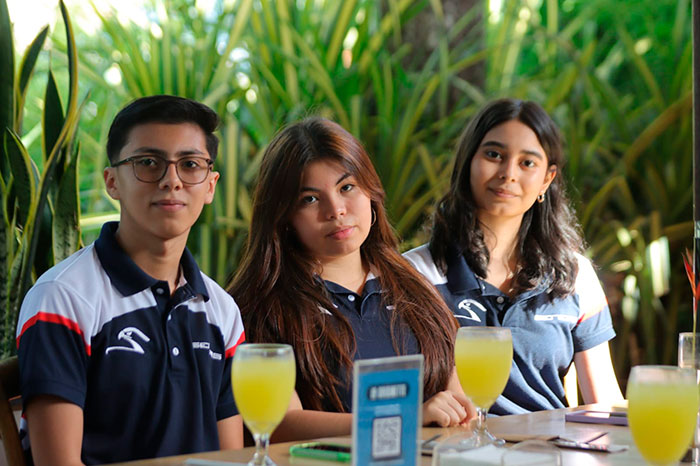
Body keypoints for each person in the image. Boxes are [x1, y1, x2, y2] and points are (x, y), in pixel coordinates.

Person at [16, 95, 245, 465]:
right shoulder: (62, 299)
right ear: (112, 182)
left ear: (210, 186)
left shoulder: (222, 311)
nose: (172, 181)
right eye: (148, 163)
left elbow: (231, 457)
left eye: (190, 165)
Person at [228, 117, 475, 441]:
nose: (336, 210)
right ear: (284, 217)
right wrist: (403, 418)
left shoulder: (416, 287)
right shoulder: (263, 307)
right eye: (310, 199)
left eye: (347, 187)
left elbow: (458, 402)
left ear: (371, 194)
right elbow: (277, 424)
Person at [405, 98, 624, 415]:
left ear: (546, 180)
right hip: (457, 452)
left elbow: (603, 403)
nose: (508, 173)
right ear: (468, 162)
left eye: (527, 163)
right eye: (494, 155)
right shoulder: (417, 274)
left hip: (551, 453)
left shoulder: (577, 277)